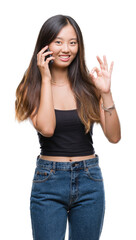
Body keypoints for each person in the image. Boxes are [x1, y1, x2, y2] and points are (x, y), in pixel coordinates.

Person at [15, 14, 121, 240]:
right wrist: (45, 78)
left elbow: (114, 136)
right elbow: (47, 129)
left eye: (73, 42)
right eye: (58, 42)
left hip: (90, 180)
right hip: (49, 183)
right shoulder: (31, 87)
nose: (66, 49)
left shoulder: (88, 86)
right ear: (45, 45)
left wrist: (106, 93)